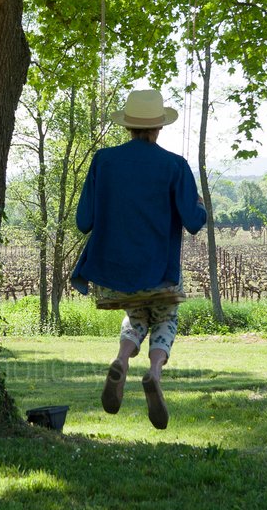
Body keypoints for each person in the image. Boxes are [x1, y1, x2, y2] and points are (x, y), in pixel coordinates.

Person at [70, 88, 207, 429]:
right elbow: (193, 222)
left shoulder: (103, 161)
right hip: (159, 277)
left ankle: (121, 360)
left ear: (128, 126)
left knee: (136, 317)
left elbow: (83, 222)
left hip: (113, 281)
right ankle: (155, 372)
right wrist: (201, 206)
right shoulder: (175, 165)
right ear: (159, 127)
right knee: (165, 318)